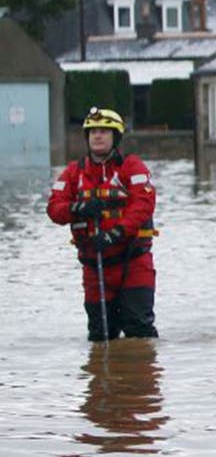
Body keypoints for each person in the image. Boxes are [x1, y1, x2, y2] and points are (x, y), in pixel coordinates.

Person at [47, 107, 158, 341]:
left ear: (115, 137)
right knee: (100, 335)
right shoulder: (72, 174)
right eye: (93, 132)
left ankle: (138, 375)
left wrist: (114, 234)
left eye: (104, 132)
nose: (98, 136)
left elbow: (143, 205)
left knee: (139, 331)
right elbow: (54, 209)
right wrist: (77, 208)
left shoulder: (132, 167)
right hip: (94, 266)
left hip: (132, 262)